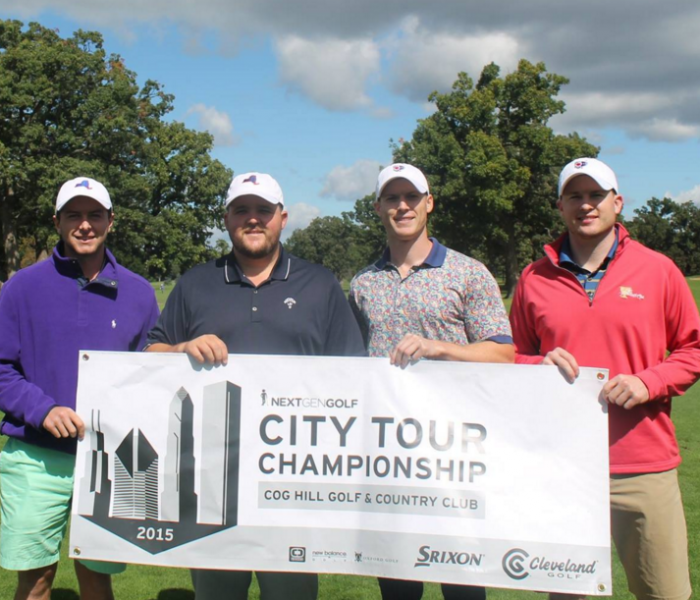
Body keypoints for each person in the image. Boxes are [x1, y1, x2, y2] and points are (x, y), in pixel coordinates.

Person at [146, 171, 365, 600]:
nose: (253, 219)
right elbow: (152, 356)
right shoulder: (195, 283)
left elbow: (352, 372)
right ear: (226, 219)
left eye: (263, 210)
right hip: (213, 481)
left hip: (294, 484)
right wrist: (182, 348)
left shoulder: (319, 284)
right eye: (241, 210)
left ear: (283, 218)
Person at [509, 157, 699, 600]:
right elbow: (511, 357)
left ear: (617, 202)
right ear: (560, 206)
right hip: (563, 465)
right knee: (569, 594)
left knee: (665, 592)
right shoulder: (534, 278)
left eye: (596, 195)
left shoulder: (658, 269)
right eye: (575, 195)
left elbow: (692, 350)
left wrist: (648, 382)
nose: (586, 205)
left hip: (642, 465)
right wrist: (536, 366)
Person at [349, 163, 514, 600]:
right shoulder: (363, 283)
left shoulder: (468, 273)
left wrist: (442, 348)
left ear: (429, 203)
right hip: (387, 453)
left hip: (452, 451)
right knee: (397, 585)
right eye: (391, 198)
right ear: (378, 207)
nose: (401, 207)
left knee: (462, 585)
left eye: (411, 197)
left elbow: (503, 353)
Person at [0, 177, 160, 600]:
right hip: (37, 455)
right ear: (57, 222)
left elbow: (151, 373)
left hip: (112, 461)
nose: (85, 225)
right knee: (34, 580)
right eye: (74, 215)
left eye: (94, 215)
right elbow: (1, 369)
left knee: (96, 578)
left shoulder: (140, 293)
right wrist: (43, 409)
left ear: (111, 220)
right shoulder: (21, 287)